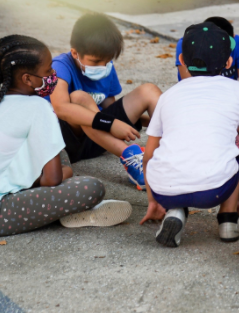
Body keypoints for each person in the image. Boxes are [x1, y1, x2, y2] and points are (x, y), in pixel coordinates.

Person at [0, 36, 131, 237]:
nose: (53, 74)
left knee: (57, 149)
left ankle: (58, 211)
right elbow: (52, 180)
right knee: (91, 187)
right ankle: (70, 210)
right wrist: (65, 173)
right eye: (48, 70)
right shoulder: (37, 106)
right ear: (27, 79)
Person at [140, 21, 239, 247]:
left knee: (178, 151)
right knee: (236, 146)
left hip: (163, 190)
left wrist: (153, 200)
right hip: (214, 191)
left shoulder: (169, 95)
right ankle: (228, 220)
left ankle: (174, 212)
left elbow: (148, 155)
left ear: (182, 61)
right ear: (229, 62)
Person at [47, 13, 161, 189]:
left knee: (149, 91)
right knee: (79, 98)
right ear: (75, 53)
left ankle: (171, 153)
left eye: (107, 61)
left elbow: (109, 108)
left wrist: (142, 120)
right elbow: (61, 108)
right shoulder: (60, 66)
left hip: (98, 138)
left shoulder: (105, 67)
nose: (102, 66)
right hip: (67, 144)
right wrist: (110, 123)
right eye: (95, 61)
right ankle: (130, 158)